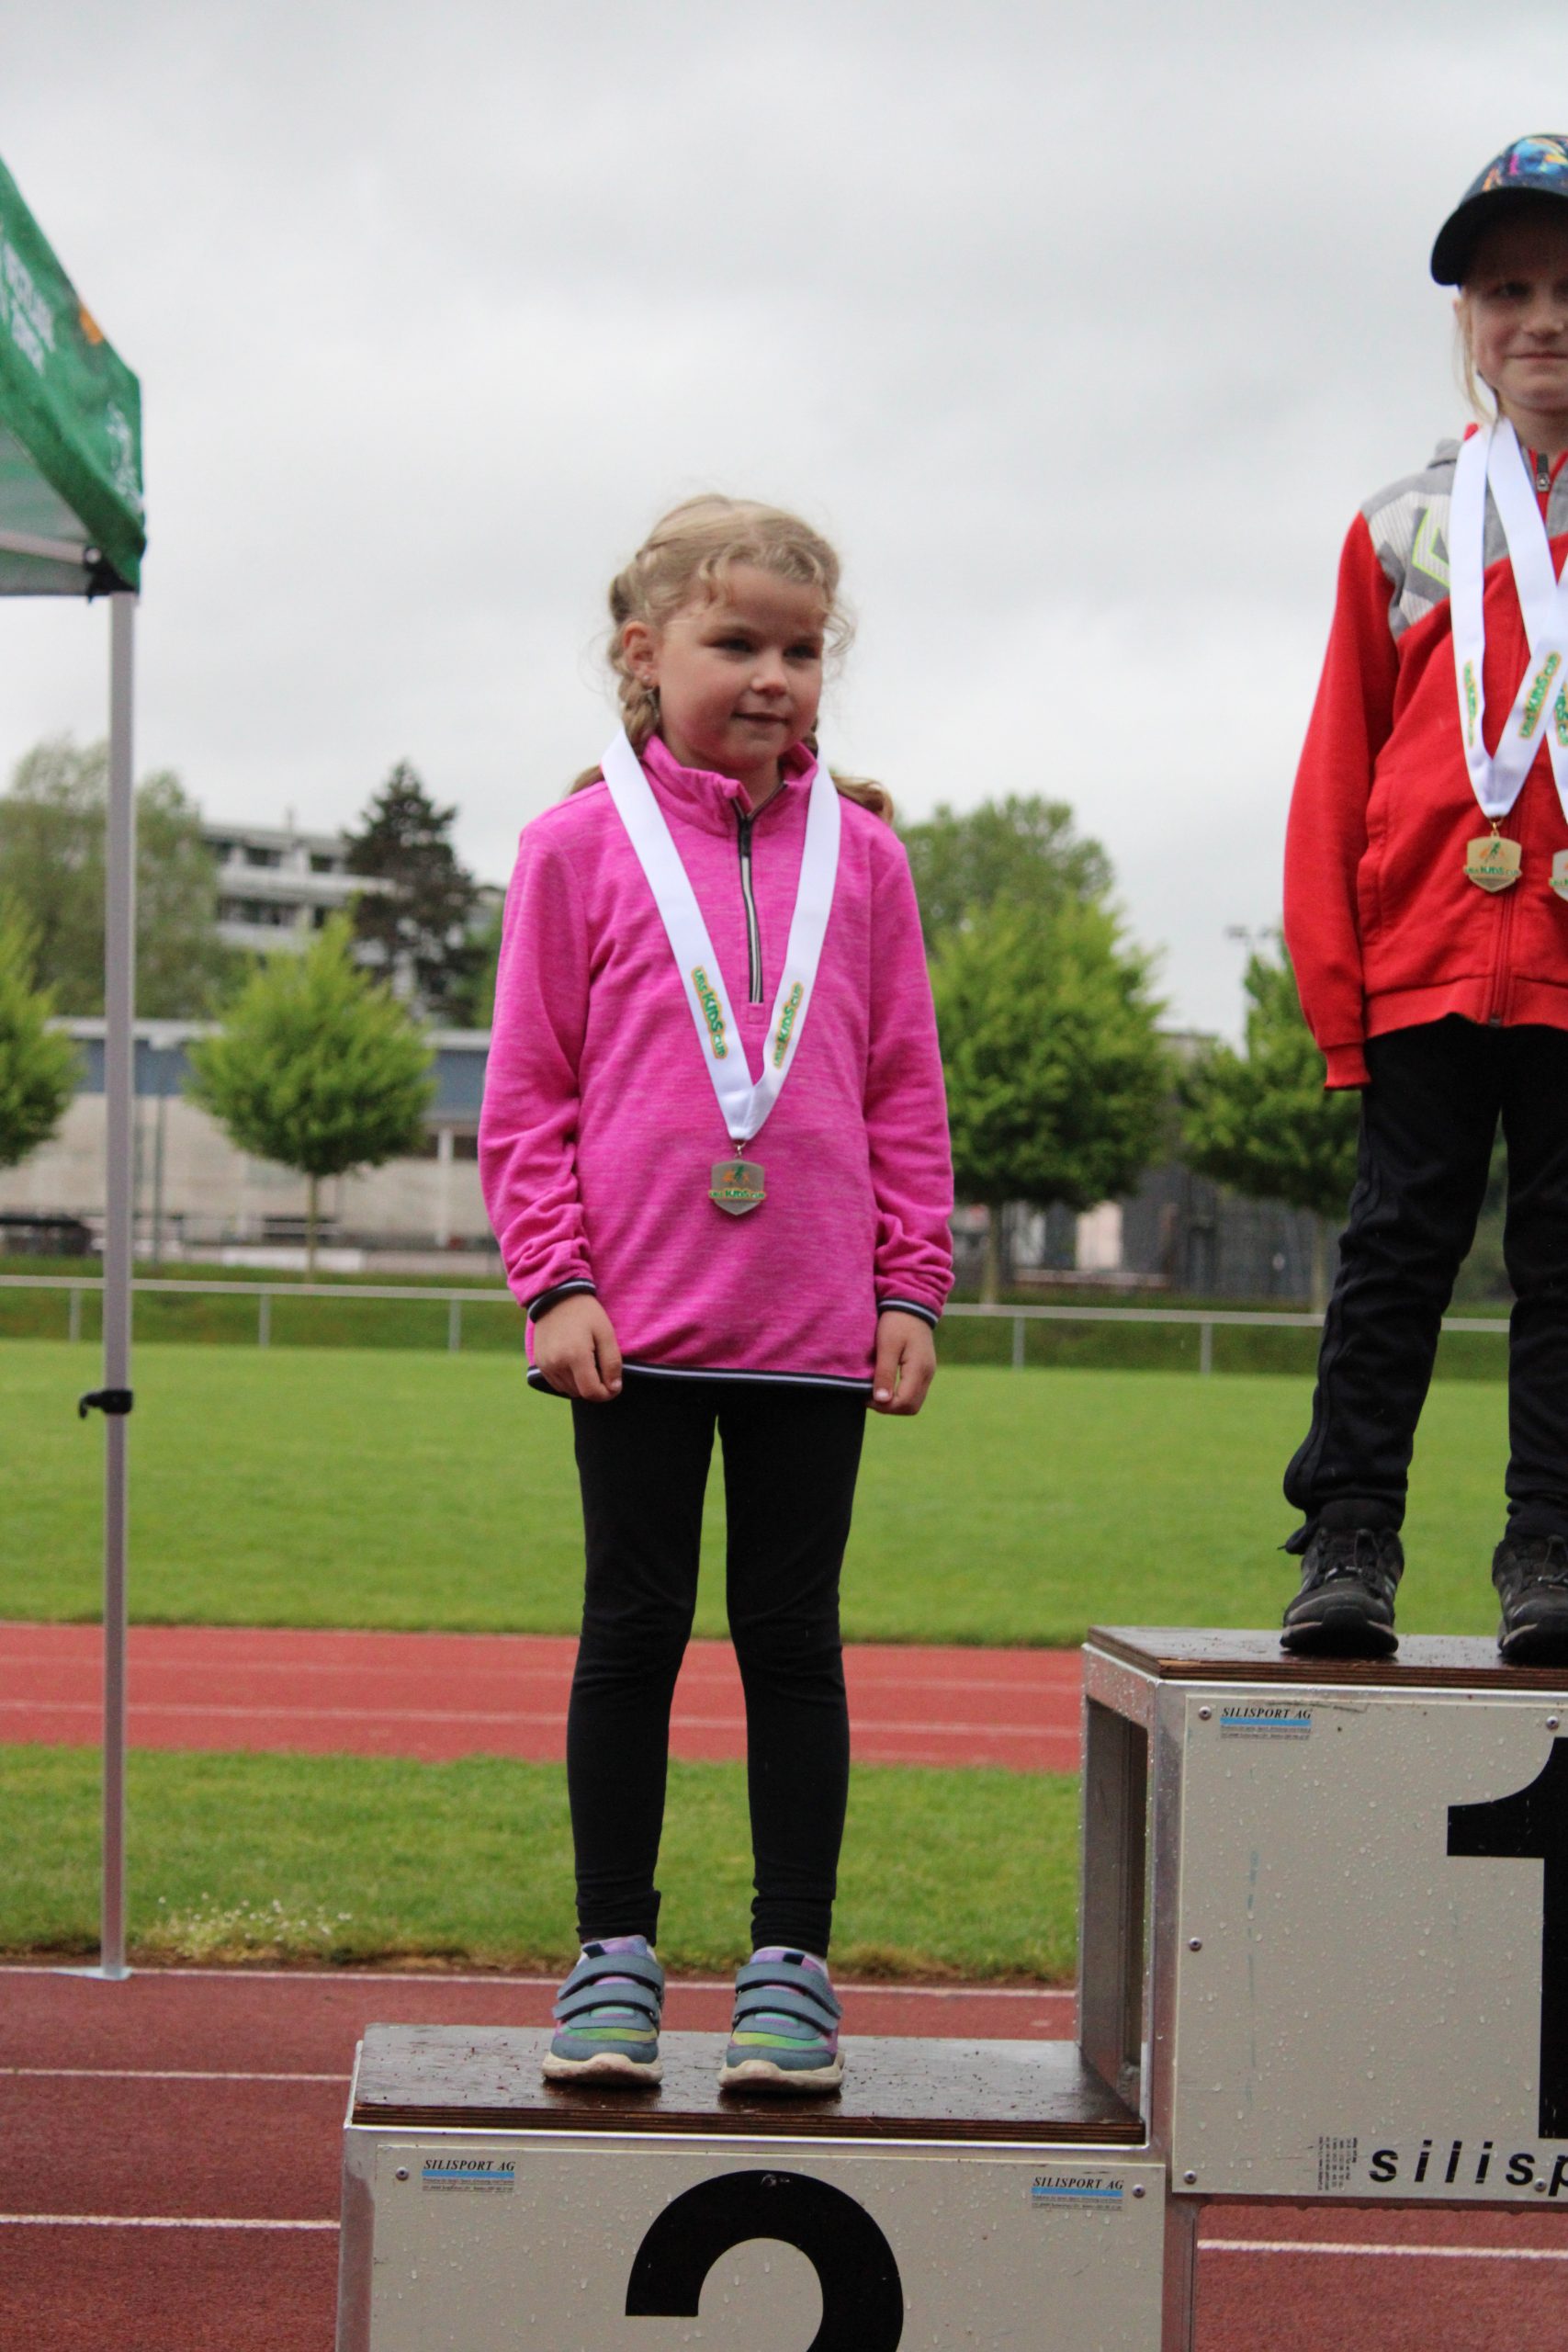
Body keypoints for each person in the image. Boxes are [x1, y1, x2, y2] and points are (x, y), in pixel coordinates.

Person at [479, 495, 953, 2087]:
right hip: (634, 1327)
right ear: (644, 650)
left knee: (792, 1643)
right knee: (632, 1633)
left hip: (816, 1329)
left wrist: (911, 1286)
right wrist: (555, 1281)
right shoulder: (571, 848)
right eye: (736, 641)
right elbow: (527, 1097)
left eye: (802, 652)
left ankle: (789, 1968)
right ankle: (612, 1957)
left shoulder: (865, 861)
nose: (773, 676)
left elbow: (904, 1093)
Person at [1282, 134, 1568, 1666]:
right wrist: (1343, 998)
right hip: (1429, 962)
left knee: (1566, 1273)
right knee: (1394, 1257)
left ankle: (1552, 1549)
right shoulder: (1400, 529)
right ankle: (1349, 1539)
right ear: (1467, 317)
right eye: (1509, 291)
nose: (1545, 321)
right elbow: (1339, 771)